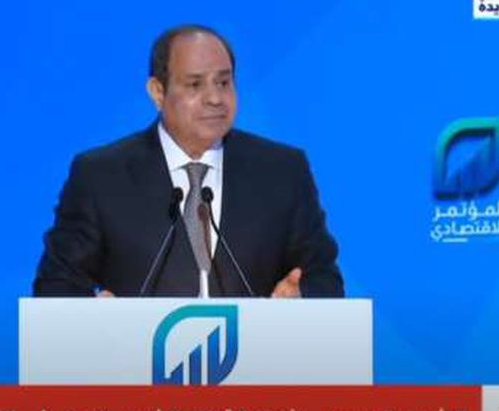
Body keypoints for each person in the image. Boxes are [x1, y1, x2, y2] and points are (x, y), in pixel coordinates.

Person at [33, 24, 342, 298]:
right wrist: (93, 315)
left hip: (257, 347)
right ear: (157, 91)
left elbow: (324, 278)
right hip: (135, 348)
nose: (215, 98)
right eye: (195, 85)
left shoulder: (282, 171)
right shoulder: (100, 176)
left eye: (224, 83)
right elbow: (56, 287)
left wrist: (301, 298)